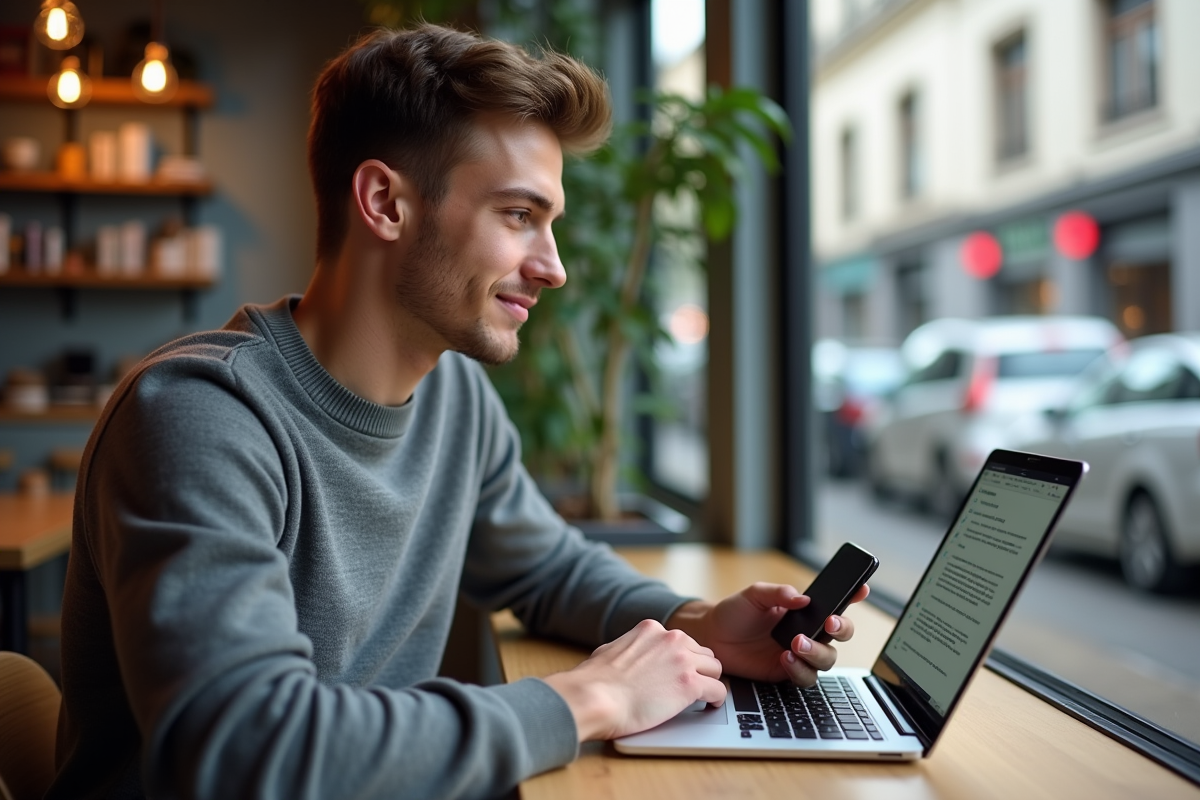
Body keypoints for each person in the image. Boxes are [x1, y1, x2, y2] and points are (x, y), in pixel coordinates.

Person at [47, 24, 868, 800]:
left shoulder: (454, 396)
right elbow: (247, 750)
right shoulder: (200, 416)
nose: (553, 269)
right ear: (385, 202)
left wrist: (699, 624)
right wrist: (589, 701)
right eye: (519, 216)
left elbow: (545, 568)